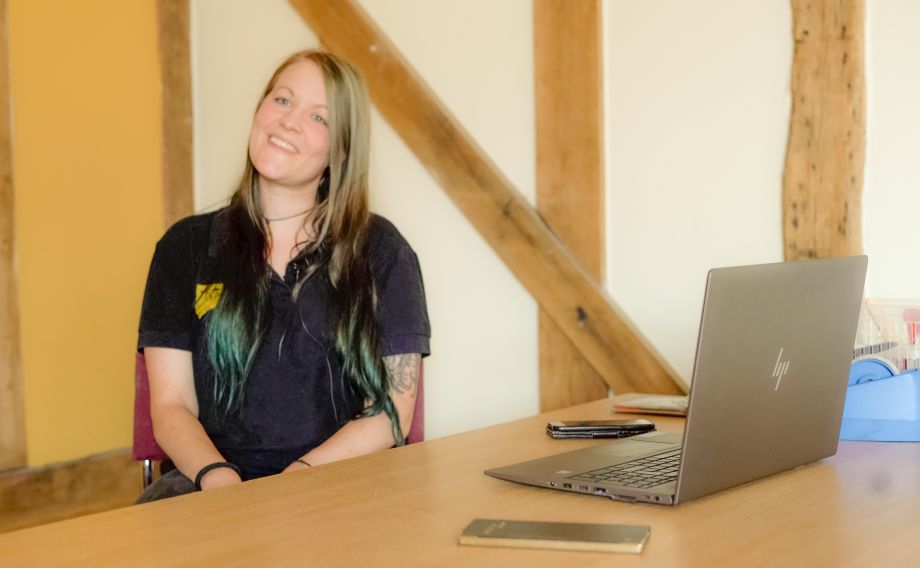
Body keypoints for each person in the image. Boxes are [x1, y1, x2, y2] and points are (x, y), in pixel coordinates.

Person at [136, 50, 430, 502]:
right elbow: (172, 405)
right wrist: (221, 481)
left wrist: (300, 478)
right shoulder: (184, 247)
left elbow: (392, 412)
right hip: (210, 484)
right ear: (259, 111)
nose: (290, 121)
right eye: (283, 100)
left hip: (342, 485)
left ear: (342, 151)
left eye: (319, 117)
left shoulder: (383, 251)